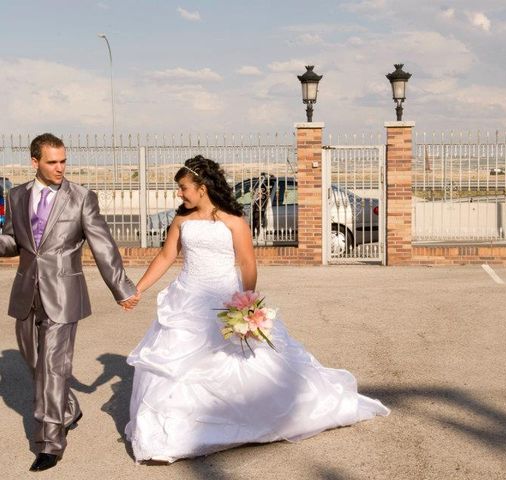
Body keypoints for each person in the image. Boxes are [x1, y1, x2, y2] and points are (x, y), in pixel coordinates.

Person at [126, 155, 389, 463]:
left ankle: (252, 419)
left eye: (183, 188)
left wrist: (247, 303)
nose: (179, 194)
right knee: (174, 363)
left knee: (248, 363)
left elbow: (248, 262)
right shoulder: (181, 221)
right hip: (186, 299)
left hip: (225, 298)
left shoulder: (234, 222)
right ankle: (172, 432)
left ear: (203, 187)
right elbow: (165, 257)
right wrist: (139, 289)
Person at [0, 133, 140, 472]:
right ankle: (66, 409)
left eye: (63, 161)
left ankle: (49, 442)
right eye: (52, 162)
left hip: (63, 295)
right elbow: (12, 241)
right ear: (34, 162)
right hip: (25, 293)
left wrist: (121, 288)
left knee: (52, 367)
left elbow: (103, 245)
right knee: (37, 367)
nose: (60, 168)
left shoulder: (81, 198)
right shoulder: (16, 196)